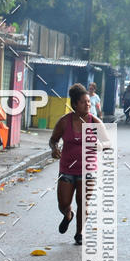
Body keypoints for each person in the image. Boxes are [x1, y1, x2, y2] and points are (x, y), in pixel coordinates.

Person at [48, 83, 107, 245]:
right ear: (74, 104)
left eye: (89, 102)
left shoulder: (95, 123)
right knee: (63, 203)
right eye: (83, 102)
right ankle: (68, 215)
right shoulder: (64, 122)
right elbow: (53, 140)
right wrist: (54, 148)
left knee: (83, 202)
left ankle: (79, 233)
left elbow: (107, 144)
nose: (88, 104)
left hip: (88, 169)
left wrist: (99, 146)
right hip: (67, 169)